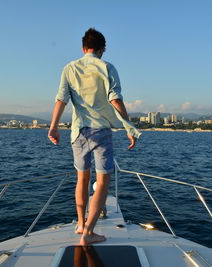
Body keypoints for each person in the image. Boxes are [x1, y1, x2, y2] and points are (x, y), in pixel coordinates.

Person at [48, 28, 141, 245]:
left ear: (83, 48)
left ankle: (81, 224)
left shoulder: (69, 68)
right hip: (101, 131)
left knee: (82, 179)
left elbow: (61, 99)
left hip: (78, 131)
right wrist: (129, 127)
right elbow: (115, 100)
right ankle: (89, 233)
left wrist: (53, 127)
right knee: (103, 181)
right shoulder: (107, 67)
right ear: (102, 49)